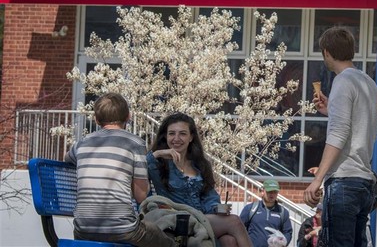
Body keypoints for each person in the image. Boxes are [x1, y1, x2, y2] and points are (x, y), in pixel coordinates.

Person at [303, 26, 377, 247]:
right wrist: (332, 110)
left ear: (327, 52)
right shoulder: (369, 84)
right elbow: (360, 125)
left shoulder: (342, 81)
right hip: (365, 182)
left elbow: (339, 133)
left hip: (344, 182)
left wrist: (318, 180)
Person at [65, 92, 175, 246]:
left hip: (83, 229)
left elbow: (67, 158)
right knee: (163, 239)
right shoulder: (135, 143)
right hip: (123, 229)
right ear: (128, 116)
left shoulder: (82, 143)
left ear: (96, 119)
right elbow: (141, 196)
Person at [146, 112, 253, 247]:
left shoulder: (200, 164)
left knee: (229, 240)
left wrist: (217, 208)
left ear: (191, 137)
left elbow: (210, 197)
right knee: (235, 222)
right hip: (177, 220)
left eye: (182, 134)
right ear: (165, 136)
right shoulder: (158, 163)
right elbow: (139, 167)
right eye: (172, 133)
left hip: (202, 217)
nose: (176, 138)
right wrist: (159, 153)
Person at [240, 179, 293, 247]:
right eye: (269, 192)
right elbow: (239, 229)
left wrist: (283, 241)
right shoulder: (250, 209)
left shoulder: (283, 212)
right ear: (262, 192)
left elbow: (288, 232)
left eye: (275, 192)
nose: (272, 194)